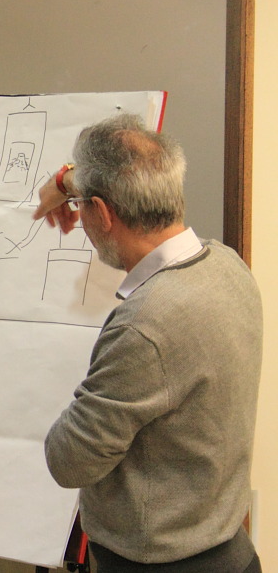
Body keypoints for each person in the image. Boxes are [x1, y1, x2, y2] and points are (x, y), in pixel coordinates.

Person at [35, 114, 262, 572]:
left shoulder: (145, 325)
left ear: (103, 213)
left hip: (158, 564)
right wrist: (65, 182)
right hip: (230, 554)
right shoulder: (228, 265)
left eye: (81, 207)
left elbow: (69, 461)